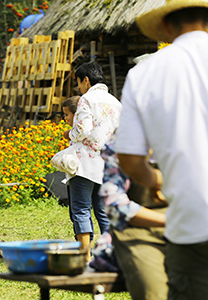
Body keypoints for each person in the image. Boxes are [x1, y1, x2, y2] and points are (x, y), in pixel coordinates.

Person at [115, 1, 208, 299]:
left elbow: (129, 160)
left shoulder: (146, 74)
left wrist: (156, 181)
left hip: (192, 225)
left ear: (167, 27)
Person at [91, 135, 168, 300]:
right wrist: (170, 221)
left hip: (191, 226)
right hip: (137, 233)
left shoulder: (193, 140)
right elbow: (113, 203)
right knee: (154, 292)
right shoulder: (121, 145)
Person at [63, 62, 122, 262]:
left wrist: (69, 133)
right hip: (107, 163)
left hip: (85, 164)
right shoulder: (115, 101)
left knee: (80, 209)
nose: (79, 88)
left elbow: (82, 130)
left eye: (79, 83)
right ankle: (111, 255)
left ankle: (85, 258)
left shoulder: (87, 99)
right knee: (103, 211)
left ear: (86, 80)